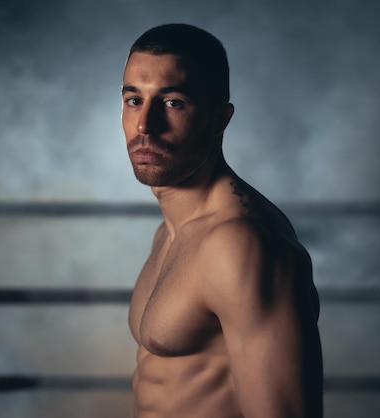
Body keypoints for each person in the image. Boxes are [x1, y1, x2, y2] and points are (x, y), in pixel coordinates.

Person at [122, 23, 323, 418]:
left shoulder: (240, 246)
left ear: (219, 119)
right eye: (133, 100)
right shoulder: (170, 232)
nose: (146, 124)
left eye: (173, 102)